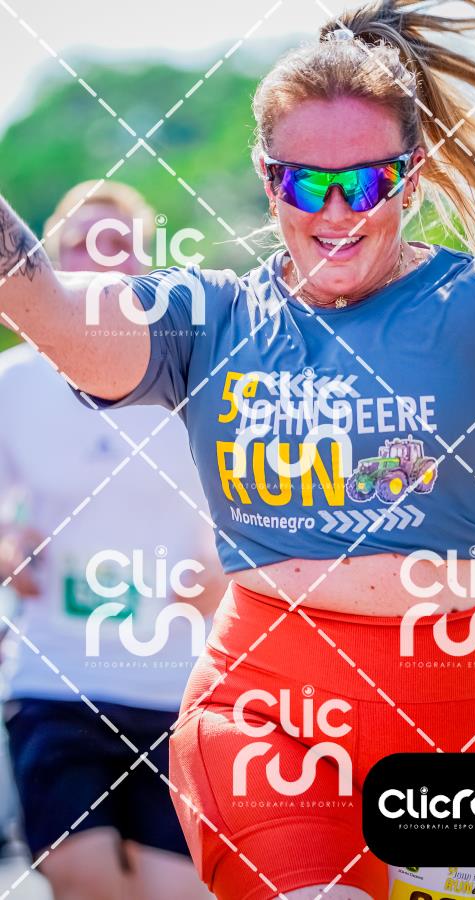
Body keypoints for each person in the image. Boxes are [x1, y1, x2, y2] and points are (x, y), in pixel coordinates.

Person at [1, 1, 475, 897]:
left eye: (366, 183)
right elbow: (56, 315)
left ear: (412, 176)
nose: (337, 212)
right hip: (266, 709)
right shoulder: (210, 317)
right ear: (266, 178)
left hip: (466, 713)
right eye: (305, 185)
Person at [0, 182, 223, 900]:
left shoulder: (194, 377)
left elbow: (256, 509)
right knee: (87, 879)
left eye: (118, 244)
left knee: (173, 893)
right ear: (49, 261)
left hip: (175, 685)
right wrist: (8, 544)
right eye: (80, 245)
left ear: (145, 263)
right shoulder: (14, 384)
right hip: (56, 679)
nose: (99, 260)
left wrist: (220, 571)